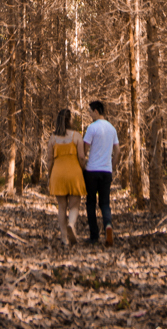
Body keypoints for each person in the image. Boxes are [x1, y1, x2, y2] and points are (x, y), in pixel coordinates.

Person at [47, 107, 87, 246]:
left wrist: (49, 174)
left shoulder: (53, 138)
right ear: (70, 120)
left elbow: (49, 160)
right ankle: (71, 224)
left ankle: (64, 238)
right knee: (75, 205)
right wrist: (83, 170)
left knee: (62, 207)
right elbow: (81, 157)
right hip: (74, 173)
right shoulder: (76, 136)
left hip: (58, 174)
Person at [83, 100, 119, 246]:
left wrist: (84, 164)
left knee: (91, 202)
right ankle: (108, 225)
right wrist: (113, 166)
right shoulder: (112, 129)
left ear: (96, 111)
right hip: (106, 170)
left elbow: (84, 150)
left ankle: (94, 235)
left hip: (92, 170)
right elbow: (118, 151)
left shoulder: (92, 128)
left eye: (91, 112)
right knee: (105, 203)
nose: (90, 115)